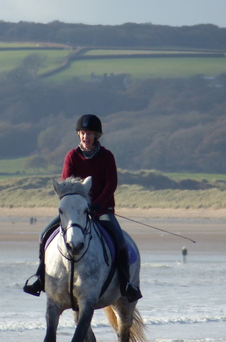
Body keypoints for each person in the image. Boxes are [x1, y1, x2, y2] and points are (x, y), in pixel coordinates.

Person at [23, 114, 142, 302]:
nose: (85, 137)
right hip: (75, 212)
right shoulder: (72, 156)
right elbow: (67, 184)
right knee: (44, 235)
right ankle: (40, 277)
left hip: (101, 210)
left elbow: (111, 185)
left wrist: (96, 205)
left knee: (119, 240)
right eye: (82, 133)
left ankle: (126, 283)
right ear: (79, 135)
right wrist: (80, 205)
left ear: (96, 136)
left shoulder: (107, 157)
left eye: (89, 134)